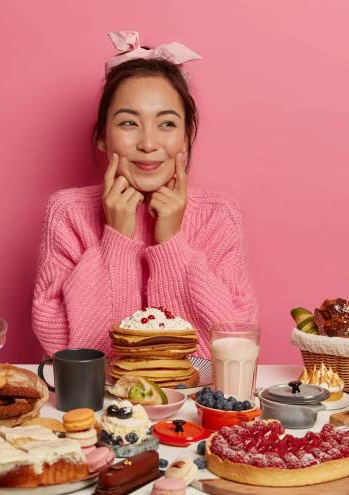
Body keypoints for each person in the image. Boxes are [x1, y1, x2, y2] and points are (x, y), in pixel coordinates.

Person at [32, 32, 257, 358]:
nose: (148, 143)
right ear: (103, 138)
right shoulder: (68, 212)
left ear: (186, 137)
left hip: (192, 405)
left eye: (166, 124)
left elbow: (230, 347)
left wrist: (171, 244)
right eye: (128, 123)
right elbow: (70, 352)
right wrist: (115, 242)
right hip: (98, 405)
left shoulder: (218, 215)